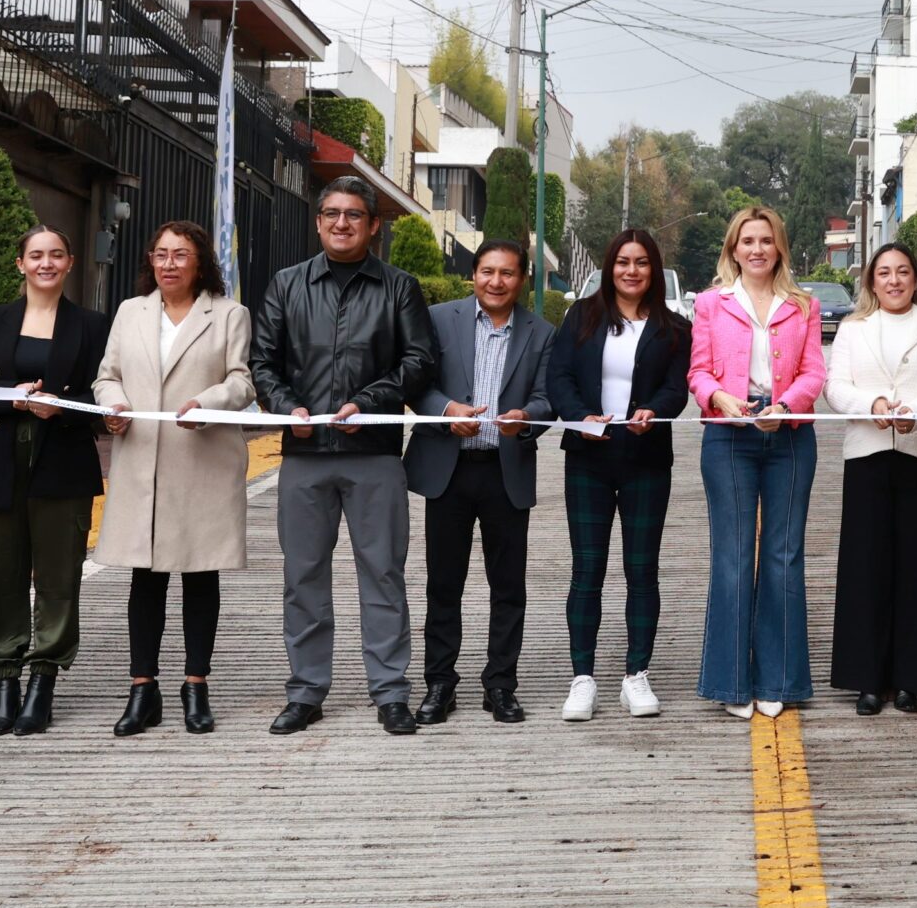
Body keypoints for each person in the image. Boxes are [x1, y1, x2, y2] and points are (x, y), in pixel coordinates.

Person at [252, 176, 438, 737]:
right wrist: (288, 406)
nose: (341, 223)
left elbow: (418, 360)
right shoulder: (286, 285)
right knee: (303, 576)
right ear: (318, 222)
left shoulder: (399, 288)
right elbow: (263, 362)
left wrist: (369, 402)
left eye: (354, 215)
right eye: (331, 213)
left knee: (383, 573)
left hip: (373, 453)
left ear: (373, 225)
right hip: (304, 453)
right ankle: (306, 691)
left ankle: (391, 692)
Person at [93, 221, 253, 736]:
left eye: (180, 255)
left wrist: (206, 402)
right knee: (146, 576)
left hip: (203, 460)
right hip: (142, 458)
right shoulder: (130, 312)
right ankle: (143, 689)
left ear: (200, 262)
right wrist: (113, 405)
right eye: (160, 254)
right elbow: (107, 375)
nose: (168, 263)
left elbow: (242, 381)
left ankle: (195, 685)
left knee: (200, 573)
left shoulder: (228, 314)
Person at [0, 224, 111, 738]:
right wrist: (10, 396)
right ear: (20, 264)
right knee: (1, 573)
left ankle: (44, 679)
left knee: (59, 578)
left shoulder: (92, 325)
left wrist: (59, 408)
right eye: (36, 255)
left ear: (69, 263)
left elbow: (103, 396)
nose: (47, 263)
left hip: (62, 462)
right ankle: (4, 680)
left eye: (57, 254)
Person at [404, 239, 556, 726]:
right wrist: (447, 410)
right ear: (473, 274)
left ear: (522, 279)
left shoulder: (541, 333)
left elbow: (547, 398)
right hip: (448, 470)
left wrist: (525, 418)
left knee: (508, 586)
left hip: (504, 470)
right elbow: (415, 384)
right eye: (488, 271)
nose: (496, 281)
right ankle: (440, 684)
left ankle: (501, 685)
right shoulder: (438, 319)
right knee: (443, 584)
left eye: (507, 273)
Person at [547, 226, 692, 722]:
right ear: (610, 268)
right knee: (587, 569)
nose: (632, 271)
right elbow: (559, 376)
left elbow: (677, 388)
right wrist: (579, 416)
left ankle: (636, 675)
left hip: (646, 458)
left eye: (642, 262)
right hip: (588, 456)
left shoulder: (674, 327)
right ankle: (582, 678)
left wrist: (655, 410)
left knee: (641, 569)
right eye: (623, 262)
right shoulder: (582, 316)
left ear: (654, 270)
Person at [691, 203, 827, 719]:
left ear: (779, 248)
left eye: (766, 240)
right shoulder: (711, 303)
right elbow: (698, 371)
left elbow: (814, 372)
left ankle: (779, 681)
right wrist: (718, 398)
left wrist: (786, 406)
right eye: (747, 241)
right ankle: (729, 683)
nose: (757, 249)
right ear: (733, 249)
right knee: (732, 557)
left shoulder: (804, 305)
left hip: (789, 437)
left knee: (783, 557)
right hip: (728, 437)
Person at [825, 241, 917, 714]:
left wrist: (916, 411)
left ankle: (912, 678)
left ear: (916, 278)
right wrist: (873, 405)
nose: (894, 280)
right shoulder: (852, 329)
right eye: (884, 272)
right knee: (865, 566)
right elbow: (835, 387)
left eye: (903, 271)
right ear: (871, 281)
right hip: (867, 455)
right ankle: (867, 677)